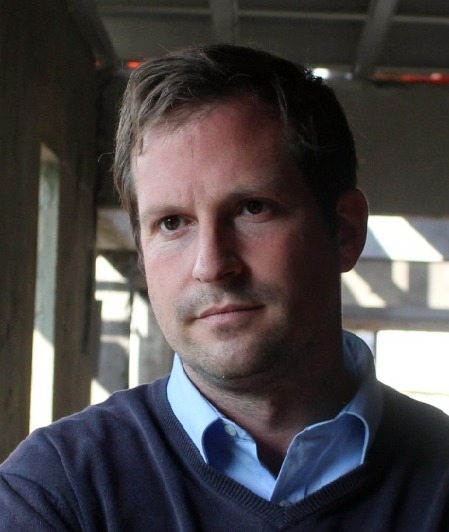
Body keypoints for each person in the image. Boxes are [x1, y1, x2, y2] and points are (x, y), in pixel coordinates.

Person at [1, 44, 448, 531]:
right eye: (172, 223)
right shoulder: (56, 491)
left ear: (345, 231)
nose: (211, 265)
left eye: (253, 208)